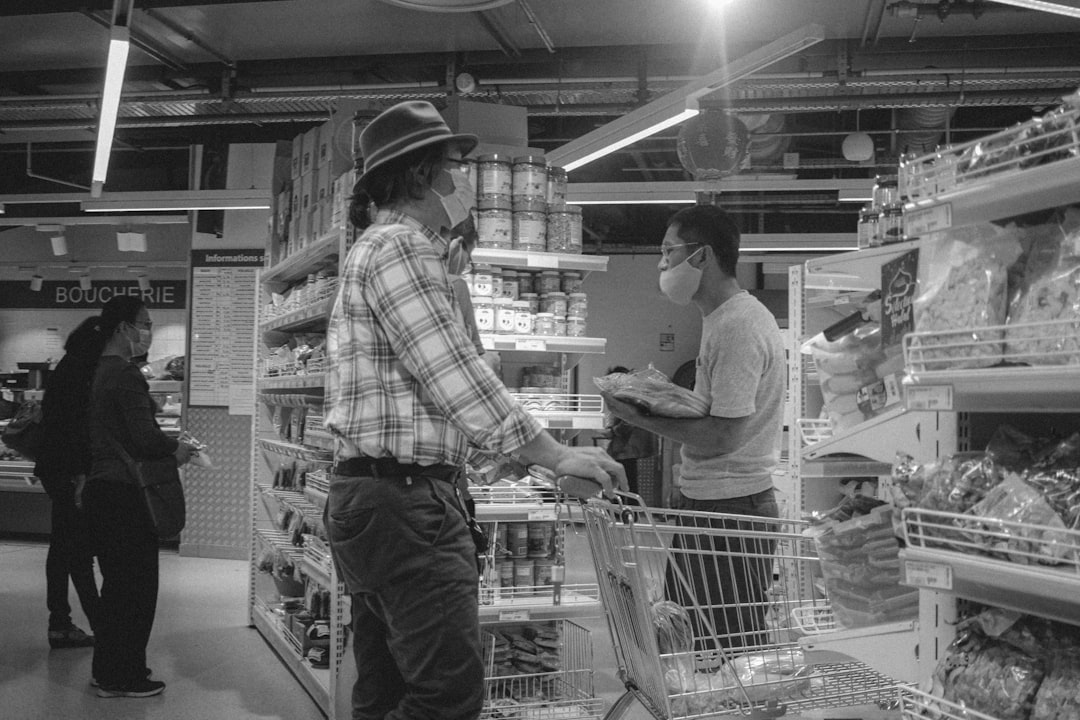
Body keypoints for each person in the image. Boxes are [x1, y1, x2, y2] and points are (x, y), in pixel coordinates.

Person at [323, 100, 625, 720]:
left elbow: (428, 389)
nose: (462, 183)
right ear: (418, 176)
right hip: (405, 507)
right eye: (453, 168)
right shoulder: (400, 248)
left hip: (376, 502)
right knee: (446, 697)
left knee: (385, 688)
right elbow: (455, 378)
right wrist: (553, 452)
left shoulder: (384, 250)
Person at [600, 204, 785, 657]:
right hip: (713, 504)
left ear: (701, 257)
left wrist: (637, 415)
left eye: (669, 251)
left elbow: (724, 436)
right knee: (695, 651)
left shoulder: (739, 324)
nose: (662, 264)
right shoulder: (721, 319)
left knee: (726, 661)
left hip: (732, 510)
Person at [83, 296, 194, 698]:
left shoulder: (94, 370)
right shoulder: (126, 375)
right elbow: (145, 438)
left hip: (99, 490)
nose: (147, 331)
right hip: (127, 495)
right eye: (144, 323)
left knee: (115, 588)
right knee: (137, 589)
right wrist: (177, 450)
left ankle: (106, 671)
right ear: (122, 328)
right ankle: (127, 676)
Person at [34, 316, 106, 649]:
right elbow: (75, 428)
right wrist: (80, 475)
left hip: (54, 468)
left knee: (62, 547)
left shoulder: (67, 366)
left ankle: (60, 623)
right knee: (76, 550)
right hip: (69, 472)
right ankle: (100, 626)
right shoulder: (82, 372)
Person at [600, 365, 658, 497]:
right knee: (627, 484)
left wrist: (613, 431)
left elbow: (629, 421)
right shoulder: (633, 393)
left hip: (628, 448)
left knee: (624, 484)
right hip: (631, 447)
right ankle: (627, 512)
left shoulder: (627, 396)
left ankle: (622, 513)